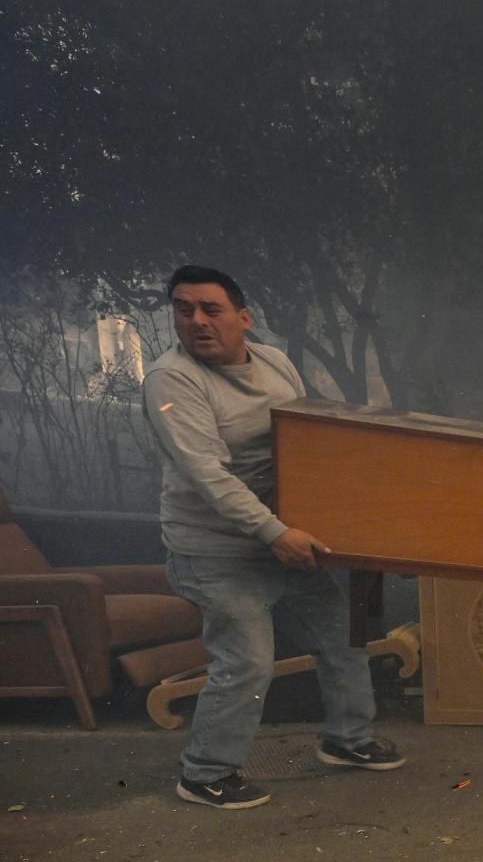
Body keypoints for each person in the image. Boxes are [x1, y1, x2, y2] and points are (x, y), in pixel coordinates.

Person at [143, 265, 404, 810]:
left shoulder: (275, 362)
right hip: (217, 550)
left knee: (347, 633)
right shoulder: (172, 379)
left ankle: (348, 741)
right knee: (247, 661)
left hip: (283, 536)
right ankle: (205, 774)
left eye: (210, 309)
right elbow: (208, 475)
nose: (196, 321)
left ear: (243, 317)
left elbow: (305, 443)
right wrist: (276, 530)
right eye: (183, 309)